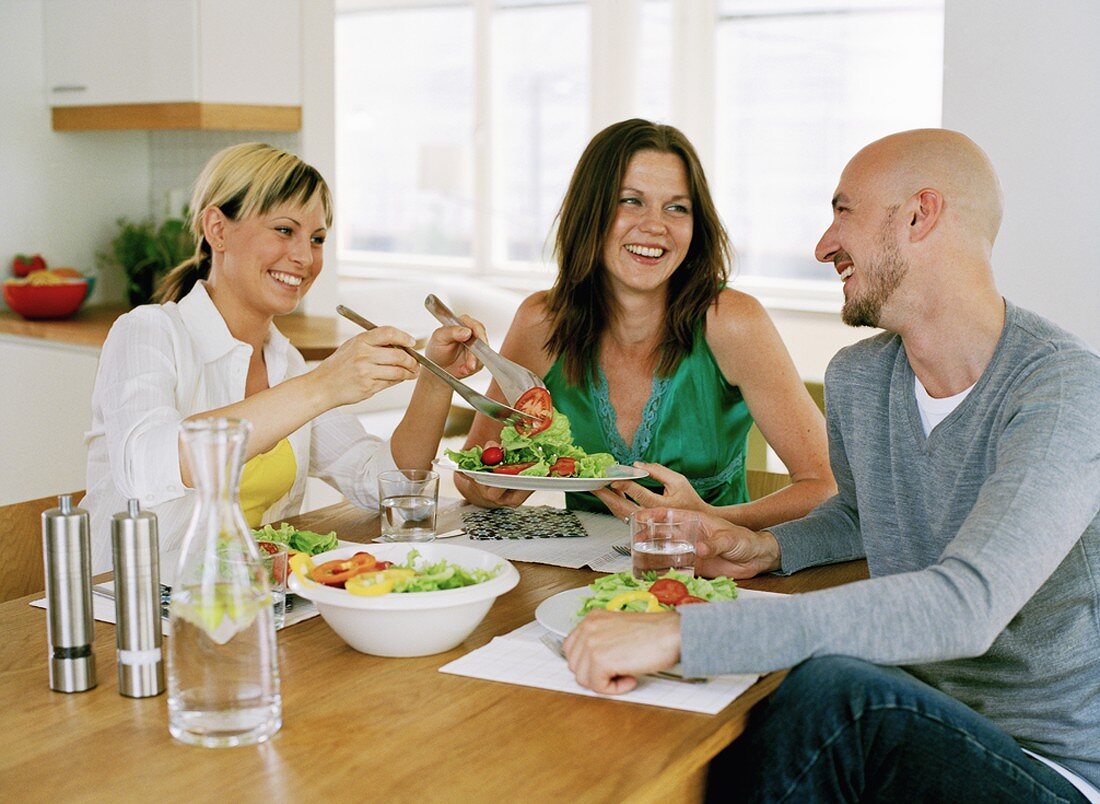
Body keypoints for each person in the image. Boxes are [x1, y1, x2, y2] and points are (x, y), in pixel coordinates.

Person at [562, 129, 1100, 802]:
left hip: (1046, 767)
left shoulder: (1063, 390)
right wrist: (762, 547)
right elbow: (858, 513)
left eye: (843, 212)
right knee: (715, 745)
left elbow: (969, 605)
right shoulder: (860, 377)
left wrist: (683, 632)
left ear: (918, 215)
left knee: (836, 696)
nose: (823, 245)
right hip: (916, 716)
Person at [84, 143, 485, 573]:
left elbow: (383, 485)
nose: (304, 257)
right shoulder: (147, 333)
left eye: (316, 239)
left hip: (254, 601)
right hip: (130, 610)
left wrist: (437, 378)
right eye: (283, 230)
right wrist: (323, 385)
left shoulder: (285, 362)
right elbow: (147, 466)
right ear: (217, 230)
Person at [456, 119, 835, 530]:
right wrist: (495, 487)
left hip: (714, 572)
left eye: (677, 207)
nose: (655, 225)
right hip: (578, 572)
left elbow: (826, 485)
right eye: (630, 201)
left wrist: (711, 520)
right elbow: (474, 476)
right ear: (591, 211)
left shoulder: (732, 322)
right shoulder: (542, 323)